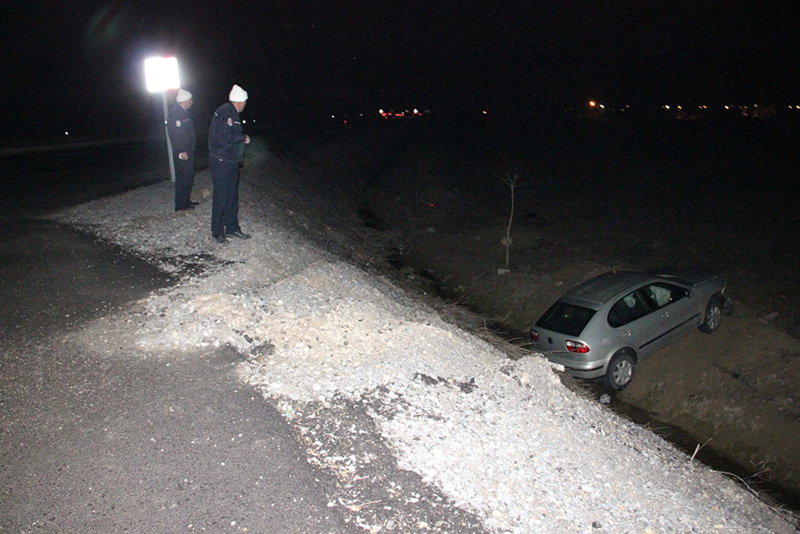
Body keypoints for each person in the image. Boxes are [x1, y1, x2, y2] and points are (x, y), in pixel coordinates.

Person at [208, 84, 251, 243]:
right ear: (240, 102)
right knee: (222, 196)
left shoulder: (231, 112)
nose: (245, 105)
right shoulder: (226, 112)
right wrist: (242, 137)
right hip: (222, 161)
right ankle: (217, 231)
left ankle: (232, 228)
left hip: (230, 160)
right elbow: (223, 137)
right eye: (245, 102)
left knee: (232, 195)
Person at [167, 89, 198, 211]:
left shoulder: (183, 112)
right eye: (190, 100)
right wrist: (181, 151)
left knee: (188, 176)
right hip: (183, 152)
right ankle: (181, 204)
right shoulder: (177, 114)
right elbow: (176, 134)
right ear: (184, 101)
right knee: (183, 177)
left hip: (188, 150)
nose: (192, 102)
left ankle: (185, 200)